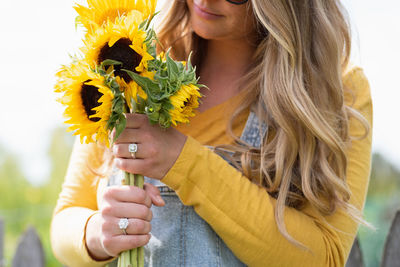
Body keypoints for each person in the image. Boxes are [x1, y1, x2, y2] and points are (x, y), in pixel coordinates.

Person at [50, 0, 373, 266]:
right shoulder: (131, 61)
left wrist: (185, 162)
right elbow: (66, 220)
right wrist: (98, 232)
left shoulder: (332, 90)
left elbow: (325, 258)